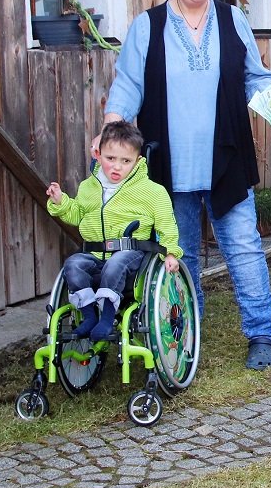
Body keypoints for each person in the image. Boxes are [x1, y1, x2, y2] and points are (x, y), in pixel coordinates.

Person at [100, 0, 271, 371]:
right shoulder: (147, 26)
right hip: (167, 164)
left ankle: (262, 334)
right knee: (180, 255)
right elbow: (128, 85)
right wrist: (110, 129)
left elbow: (256, 76)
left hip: (225, 157)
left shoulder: (232, 20)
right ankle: (185, 331)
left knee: (245, 249)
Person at [46, 121, 182, 341]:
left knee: (116, 263)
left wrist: (171, 252)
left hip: (132, 256)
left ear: (137, 161)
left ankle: (107, 318)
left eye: (125, 161)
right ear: (98, 155)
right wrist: (60, 201)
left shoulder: (152, 192)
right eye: (110, 159)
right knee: (73, 264)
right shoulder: (88, 187)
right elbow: (76, 214)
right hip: (95, 255)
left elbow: (167, 224)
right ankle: (89, 314)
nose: (117, 167)